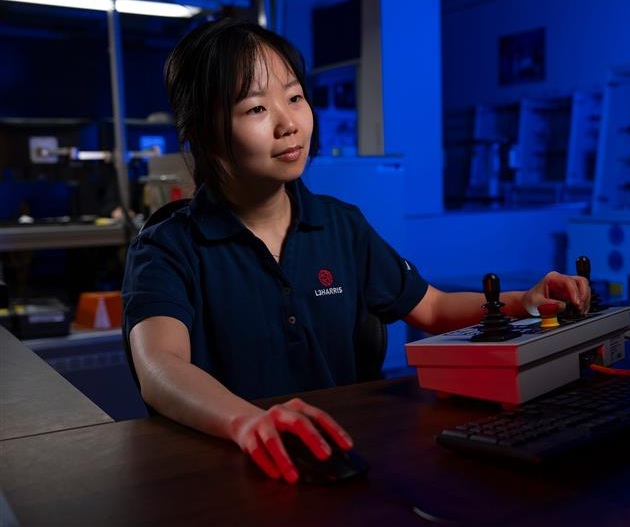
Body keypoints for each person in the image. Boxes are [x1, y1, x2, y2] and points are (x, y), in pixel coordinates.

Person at [122, 17, 591, 485]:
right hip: (232, 476)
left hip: (344, 460)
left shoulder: (340, 225)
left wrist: (524, 302)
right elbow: (161, 366)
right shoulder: (167, 247)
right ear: (205, 131)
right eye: (256, 108)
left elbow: (431, 308)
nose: (289, 124)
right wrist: (246, 423)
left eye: (294, 97)